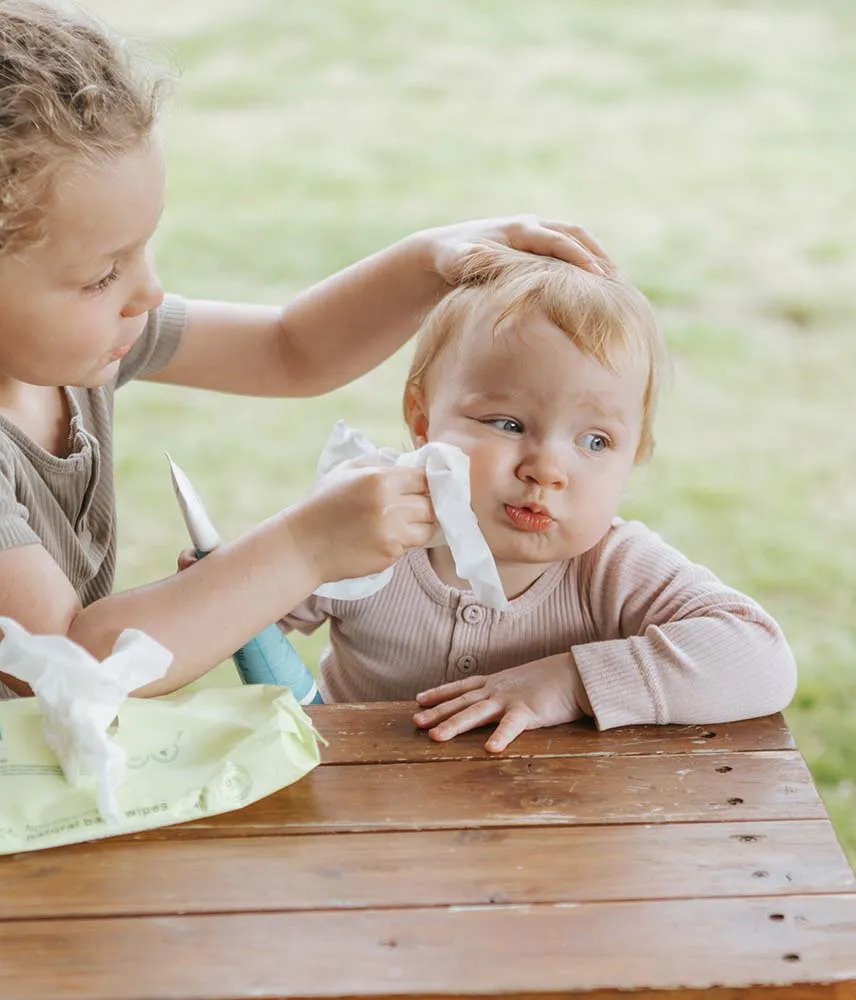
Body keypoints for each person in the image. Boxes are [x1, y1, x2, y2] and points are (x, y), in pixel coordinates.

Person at [0, 0, 611, 719]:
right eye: (101, 273)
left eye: (143, 248)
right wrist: (304, 546)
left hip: (9, 762)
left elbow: (289, 350)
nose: (147, 291)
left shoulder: (67, 343)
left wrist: (432, 260)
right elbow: (70, 665)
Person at [281, 242, 797, 752]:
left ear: (633, 454)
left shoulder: (608, 568)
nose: (546, 470)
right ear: (423, 422)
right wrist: (214, 575)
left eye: (595, 441)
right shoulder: (368, 529)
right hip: (364, 812)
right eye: (508, 424)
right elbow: (231, 607)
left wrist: (573, 681)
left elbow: (761, 658)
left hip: (553, 821)